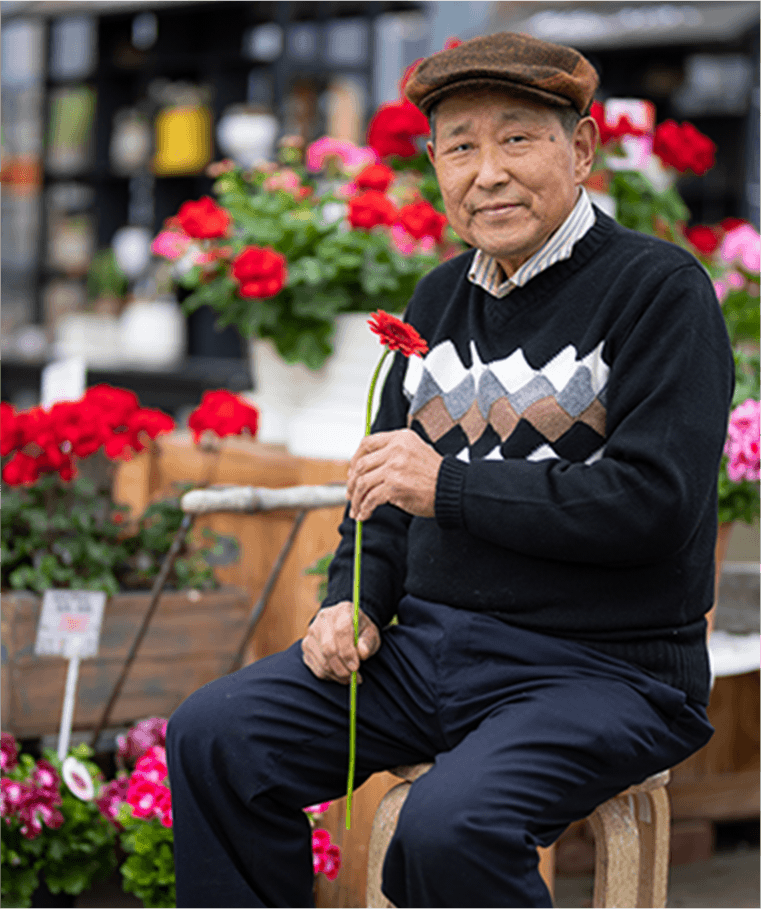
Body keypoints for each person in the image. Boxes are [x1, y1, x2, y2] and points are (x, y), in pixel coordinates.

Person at [166, 32, 734, 909]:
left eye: (516, 138)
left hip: (602, 671)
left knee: (447, 827)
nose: (487, 172)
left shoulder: (658, 291)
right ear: (433, 164)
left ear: (579, 149)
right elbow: (383, 493)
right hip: (426, 653)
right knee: (216, 735)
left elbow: (651, 504)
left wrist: (452, 488)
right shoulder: (435, 300)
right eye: (460, 146)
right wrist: (348, 597)